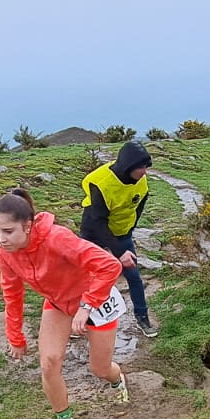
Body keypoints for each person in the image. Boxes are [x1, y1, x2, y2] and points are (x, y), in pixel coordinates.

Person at [0, 189, 131, 419]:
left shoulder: (57, 238)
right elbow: (11, 293)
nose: (1, 239)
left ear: (27, 226)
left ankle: (117, 379)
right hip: (57, 303)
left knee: (100, 369)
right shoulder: (6, 252)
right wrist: (15, 336)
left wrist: (86, 306)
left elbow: (109, 265)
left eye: (8, 232)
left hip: (96, 299)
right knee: (49, 363)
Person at [79, 139, 158, 338]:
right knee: (83, 277)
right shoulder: (100, 183)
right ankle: (76, 317)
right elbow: (98, 221)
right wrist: (119, 251)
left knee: (133, 276)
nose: (144, 172)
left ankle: (142, 317)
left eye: (146, 167)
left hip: (122, 232)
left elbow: (139, 205)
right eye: (141, 167)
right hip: (94, 232)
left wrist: (128, 233)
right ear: (128, 166)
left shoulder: (141, 180)